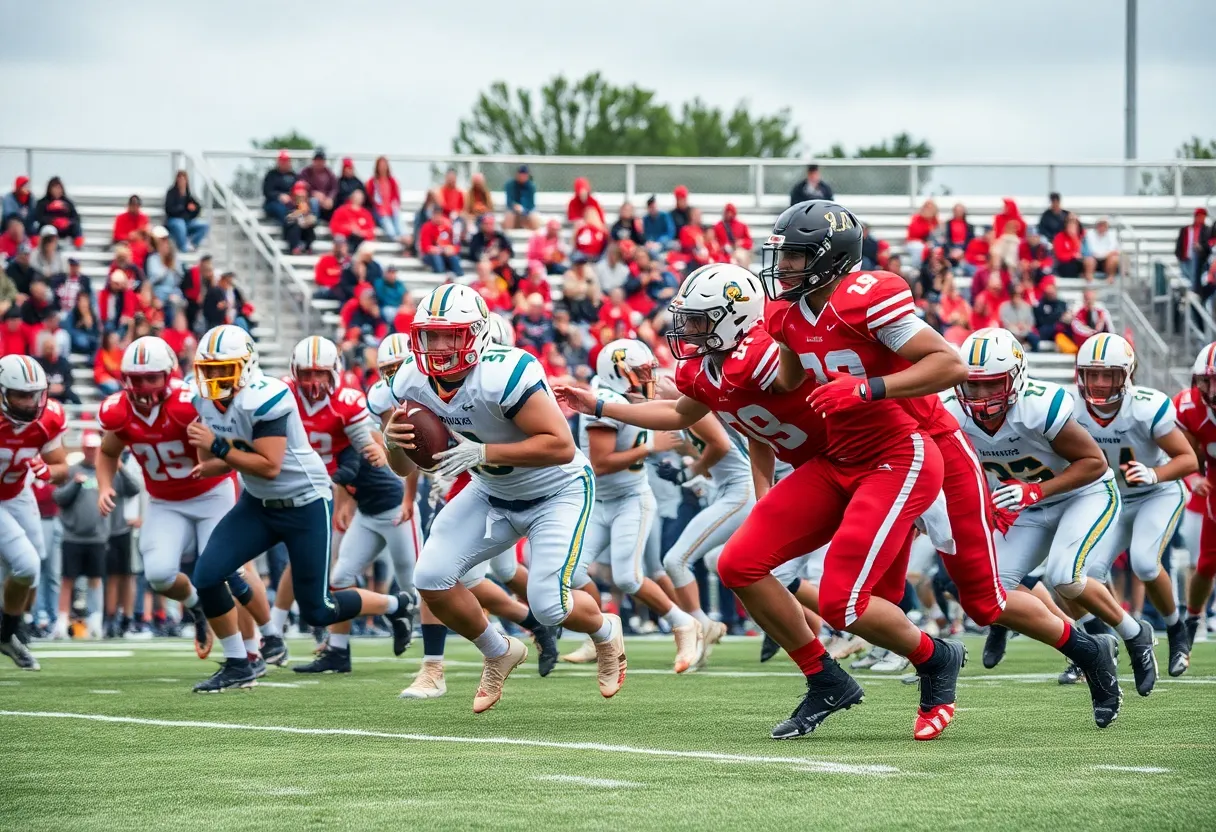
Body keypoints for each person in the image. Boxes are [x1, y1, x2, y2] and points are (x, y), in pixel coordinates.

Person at [761, 201, 1123, 733]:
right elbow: (790, 381)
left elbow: (949, 363)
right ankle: (923, 669)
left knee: (984, 600)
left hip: (932, 450)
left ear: (830, 259)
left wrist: (866, 388)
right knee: (867, 600)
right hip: (876, 458)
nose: (784, 266)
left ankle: (1088, 650)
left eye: (795, 255)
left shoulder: (868, 298)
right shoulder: (793, 314)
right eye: (784, 254)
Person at [381, 284, 626, 712]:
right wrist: (393, 444)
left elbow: (560, 446)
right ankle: (498, 650)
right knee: (431, 577)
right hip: (492, 490)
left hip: (556, 490)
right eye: (429, 335)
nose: (437, 347)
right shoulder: (411, 378)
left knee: (549, 605)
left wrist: (484, 451)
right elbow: (404, 468)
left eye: (449, 335)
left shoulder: (505, 372)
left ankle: (606, 632)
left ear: (475, 335)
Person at [184, 325, 415, 692]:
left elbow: (270, 464)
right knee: (208, 576)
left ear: (246, 366)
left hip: (305, 503)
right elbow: (221, 458)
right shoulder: (201, 398)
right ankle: (239, 662)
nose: (213, 377)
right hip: (258, 503)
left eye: (223, 368)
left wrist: (219, 447)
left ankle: (396, 604)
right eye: (208, 369)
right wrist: (210, 456)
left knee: (318, 610)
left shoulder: (266, 396)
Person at [948, 328, 1156, 701]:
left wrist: (1034, 491)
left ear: (1015, 377)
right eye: (972, 385)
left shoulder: (1039, 406)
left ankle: (1133, 633)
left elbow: (1094, 463)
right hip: (1023, 504)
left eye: (991, 384)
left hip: (1083, 495)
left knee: (1064, 576)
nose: (980, 397)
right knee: (986, 593)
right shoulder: (953, 414)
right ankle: (1086, 648)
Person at [559, 339, 701, 671]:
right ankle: (599, 637)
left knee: (628, 577)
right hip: (601, 499)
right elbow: (602, 462)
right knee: (573, 572)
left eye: (647, 371)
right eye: (640, 372)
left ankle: (684, 623)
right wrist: (650, 446)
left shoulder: (620, 397)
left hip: (630, 499)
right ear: (618, 373)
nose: (646, 378)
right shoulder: (605, 400)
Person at [282, 336, 417, 673]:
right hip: (368, 512)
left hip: (393, 509)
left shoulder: (357, 424)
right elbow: (344, 473)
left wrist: (409, 497)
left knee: (422, 585)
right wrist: (345, 503)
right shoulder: (337, 423)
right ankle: (339, 651)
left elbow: (358, 465)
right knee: (340, 579)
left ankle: (446, 653)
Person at [1072, 333, 1195, 679]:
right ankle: (1109, 639)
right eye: (1091, 374)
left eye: (1107, 374)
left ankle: (1175, 630)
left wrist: (1155, 474)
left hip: (1158, 494)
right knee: (1083, 573)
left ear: (1126, 374)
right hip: (1110, 498)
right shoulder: (1071, 407)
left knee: (1143, 562)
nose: (1097, 382)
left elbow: (1187, 459)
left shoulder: (1145, 405)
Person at [0, 356, 69, 667]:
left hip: (17, 492)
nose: (30, 403)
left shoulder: (49, 417)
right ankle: (8, 633)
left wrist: (46, 470)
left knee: (35, 561)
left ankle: (10, 627)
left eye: (35, 394)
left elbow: (62, 468)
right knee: (25, 564)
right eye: (21, 395)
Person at [1175, 345, 1216, 652]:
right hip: (1211, 485)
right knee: (1204, 563)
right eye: (1206, 380)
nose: (1211, 389)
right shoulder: (1189, 407)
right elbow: (1182, 454)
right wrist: (1192, 477)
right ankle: (1193, 618)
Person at [366, 156, 407, 248]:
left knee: (398, 216)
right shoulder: (372, 182)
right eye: (380, 165)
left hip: (391, 210)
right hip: (379, 212)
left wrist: (393, 207)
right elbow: (369, 200)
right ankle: (397, 238)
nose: (382, 167)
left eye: (384, 165)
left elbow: (396, 199)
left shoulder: (392, 181)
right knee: (388, 224)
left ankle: (405, 236)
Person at [164, 170, 209, 251]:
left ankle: (193, 244)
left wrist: (194, 209)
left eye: (184, 179)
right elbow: (169, 209)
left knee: (204, 225)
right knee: (180, 224)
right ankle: (183, 248)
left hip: (187, 221)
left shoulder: (188, 194)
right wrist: (184, 208)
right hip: (174, 220)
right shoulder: (171, 193)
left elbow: (197, 207)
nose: (182, 181)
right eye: (180, 179)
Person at [145, 227, 185, 314]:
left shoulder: (174, 259)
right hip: (159, 291)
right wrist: (166, 267)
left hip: (174, 290)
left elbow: (180, 276)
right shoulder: (153, 258)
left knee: (178, 300)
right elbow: (154, 278)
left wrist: (173, 265)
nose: (165, 246)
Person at [417, 209, 462, 277]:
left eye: (439, 216)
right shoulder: (426, 227)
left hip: (445, 253)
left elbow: (456, 244)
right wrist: (435, 249)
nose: (438, 218)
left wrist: (452, 249)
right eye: (436, 216)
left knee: (454, 258)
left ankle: (459, 275)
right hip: (432, 255)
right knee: (436, 258)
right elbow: (425, 247)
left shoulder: (448, 226)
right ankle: (440, 275)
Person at [1176, 207, 1212, 289]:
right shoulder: (1186, 230)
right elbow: (1179, 244)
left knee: (1195, 281)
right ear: (1195, 217)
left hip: (1199, 261)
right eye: (1200, 216)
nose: (1201, 219)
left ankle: (1194, 295)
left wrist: (1201, 247)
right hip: (1185, 259)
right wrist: (1179, 256)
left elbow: (1209, 245)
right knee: (1186, 280)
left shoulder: (1207, 230)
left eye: (1203, 217)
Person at [297, 148, 338, 220]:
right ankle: (312, 222)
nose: (319, 162)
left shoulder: (329, 173)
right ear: (313, 160)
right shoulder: (306, 172)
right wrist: (313, 193)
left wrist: (330, 198)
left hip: (325, 202)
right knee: (314, 202)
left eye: (321, 160)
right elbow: (301, 186)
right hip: (310, 201)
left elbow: (334, 188)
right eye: (317, 159)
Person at [36, 336, 76, 405]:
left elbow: (70, 380)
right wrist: (49, 387)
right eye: (47, 348)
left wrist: (62, 387)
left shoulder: (63, 362)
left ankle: (82, 412)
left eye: (51, 348)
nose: (49, 351)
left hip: (61, 391)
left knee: (70, 394)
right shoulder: (38, 363)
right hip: (45, 392)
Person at [261, 150, 297, 227]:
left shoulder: (293, 175)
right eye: (282, 161)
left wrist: (291, 197)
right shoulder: (271, 175)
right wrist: (279, 196)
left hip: (290, 203)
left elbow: (297, 190)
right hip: (273, 203)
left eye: (286, 161)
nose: (284, 163)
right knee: (284, 212)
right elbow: (267, 191)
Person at [999, 286, 1039, 351]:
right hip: (1011, 333)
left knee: (1034, 339)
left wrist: (1024, 326)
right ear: (1011, 296)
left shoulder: (1026, 306)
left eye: (1019, 295)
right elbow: (1004, 322)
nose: (1017, 298)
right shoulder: (1004, 307)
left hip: (1024, 332)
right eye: (1015, 295)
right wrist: (1014, 327)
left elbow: (1031, 322)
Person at [283, 183, 318, 255]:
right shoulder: (289, 205)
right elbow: (287, 220)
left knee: (310, 226)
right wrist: (298, 213)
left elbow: (314, 221)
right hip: (292, 234)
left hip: (304, 233)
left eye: (302, 197)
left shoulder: (309, 207)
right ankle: (294, 248)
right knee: (294, 226)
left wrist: (307, 218)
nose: (300, 199)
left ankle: (307, 247)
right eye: (298, 196)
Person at [1084, 217, 1120, 282]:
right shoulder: (1090, 234)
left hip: (1106, 259)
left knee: (1114, 259)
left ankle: (1110, 277)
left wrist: (1103, 255)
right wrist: (1104, 254)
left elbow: (1113, 249)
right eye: (1100, 225)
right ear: (1097, 226)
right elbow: (1091, 250)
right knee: (1089, 260)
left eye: (1104, 225)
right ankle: (1089, 280)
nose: (1102, 227)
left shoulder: (1112, 234)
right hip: (1094, 258)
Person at [503, 165, 538, 230]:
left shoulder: (531, 186)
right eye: (521, 175)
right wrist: (515, 206)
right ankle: (508, 236)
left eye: (525, 175)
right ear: (517, 175)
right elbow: (509, 201)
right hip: (513, 209)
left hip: (527, 210)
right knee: (509, 216)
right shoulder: (510, 185)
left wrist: (523, 209)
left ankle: (534, 237)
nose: (522, 177)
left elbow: (531, 204)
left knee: (534, 217)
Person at [1052, 214, 1084, 278]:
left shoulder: (1081, 236)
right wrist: (1072, 255)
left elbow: (1080, 252)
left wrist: (1074, 237)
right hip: (1063, 263)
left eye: (1074, 226)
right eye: (1070, 225)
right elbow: (1060, 255)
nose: (1072, 228)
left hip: (1077, 262)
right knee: (1070, 267)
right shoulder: (1059, 237)